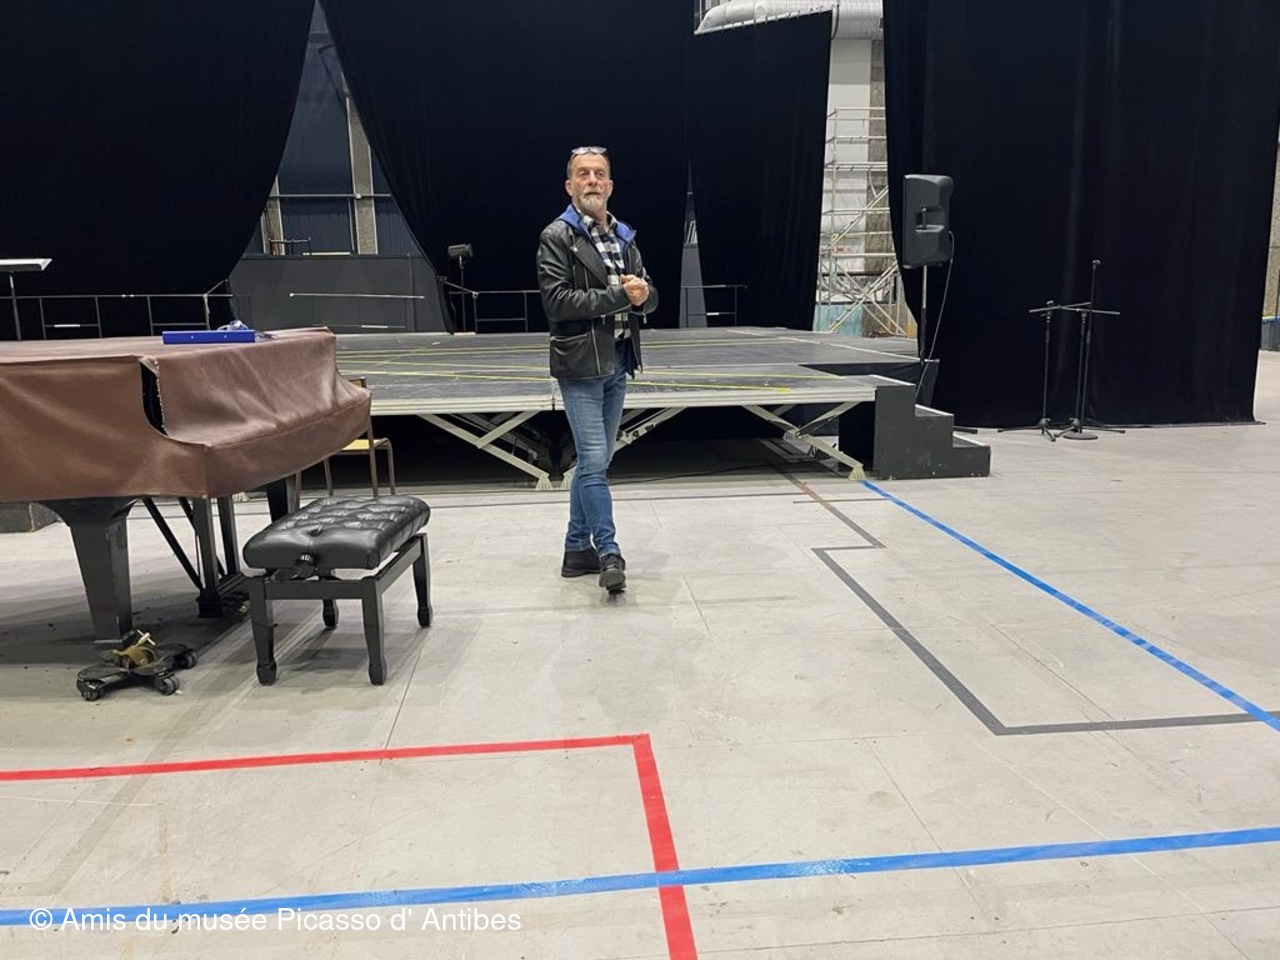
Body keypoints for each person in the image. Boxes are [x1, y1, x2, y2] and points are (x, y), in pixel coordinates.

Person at [535, 146, 658, 594]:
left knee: (596, 461)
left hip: (618, 360)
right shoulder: (557, 236)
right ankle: (608, 551)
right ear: (570, 185)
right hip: (581, 365)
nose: (592, 180)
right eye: (583, 174)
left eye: (599, 174)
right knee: (593, 461)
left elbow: (648, 296)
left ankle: (575, 549)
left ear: (610, 185)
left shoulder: (625, 236)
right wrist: (622, 296)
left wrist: (644, 296)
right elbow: (557, 302)